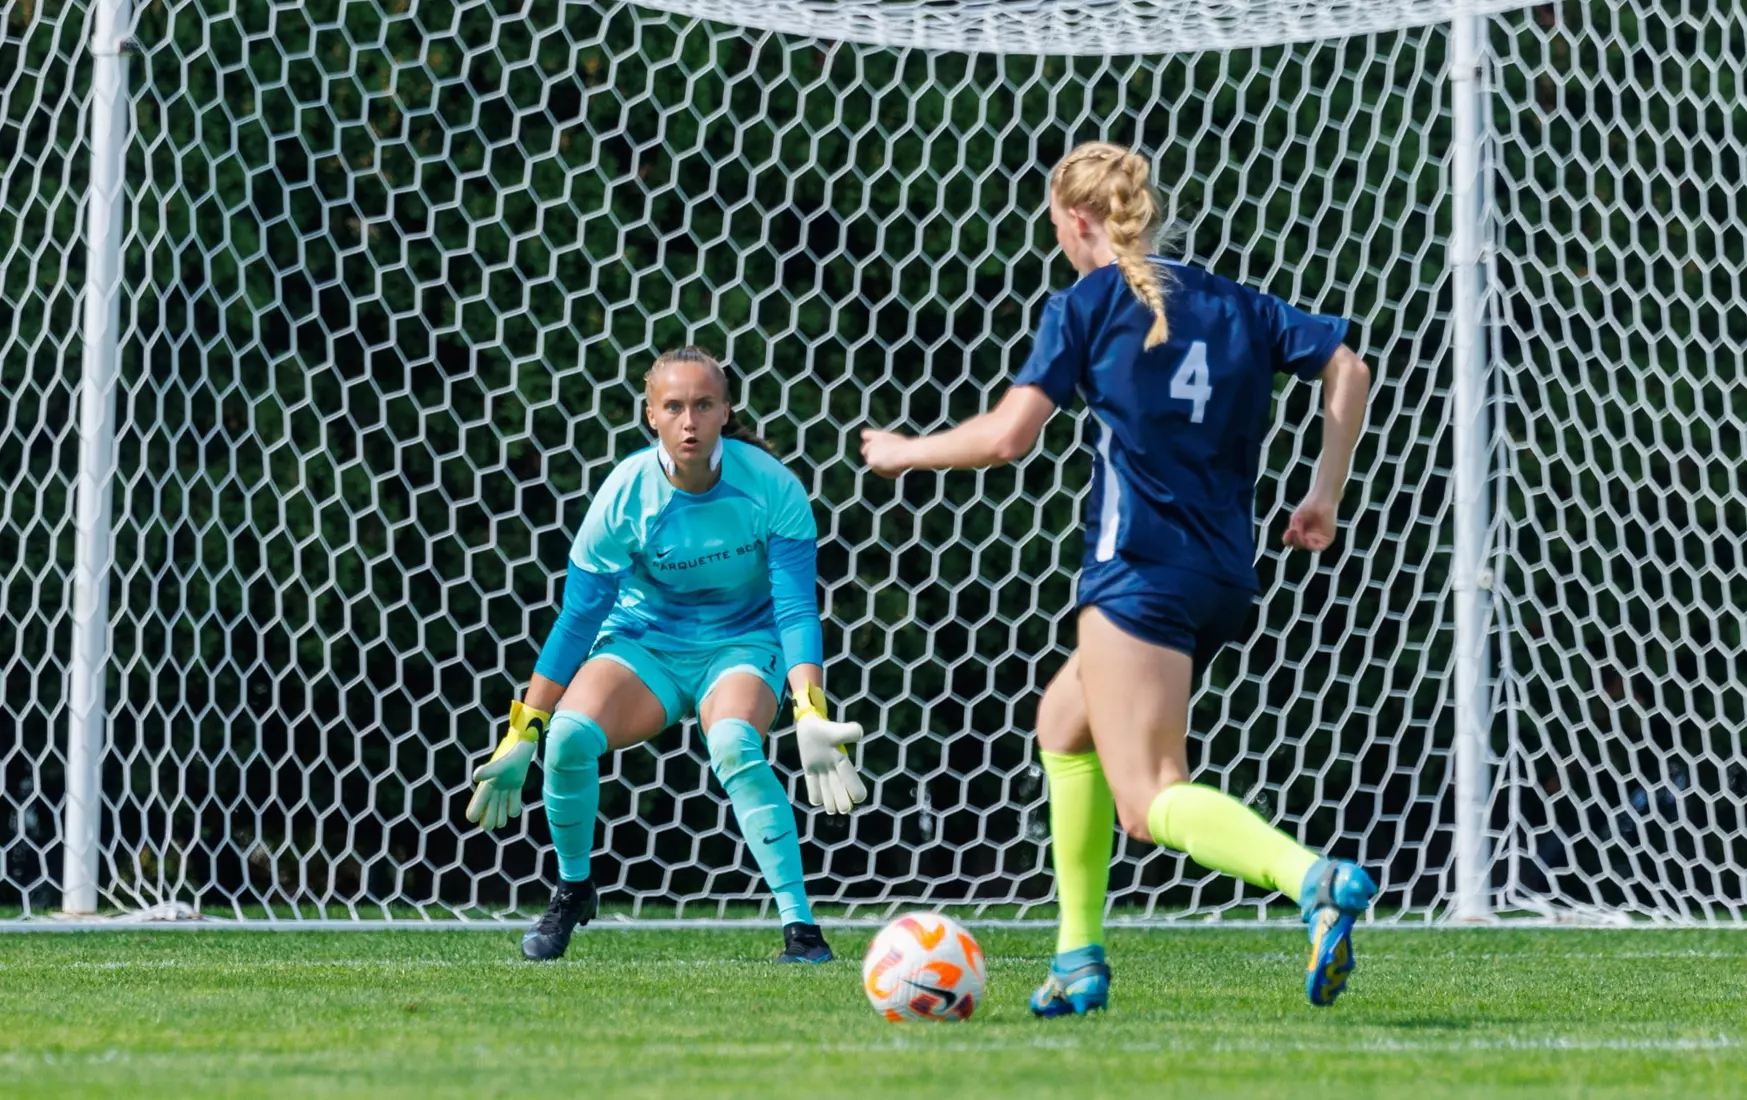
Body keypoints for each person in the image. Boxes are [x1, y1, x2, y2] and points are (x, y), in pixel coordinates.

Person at [860, 142, 1376, 1012]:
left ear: (1077, 221)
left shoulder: (1089, 301)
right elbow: (1348, 366)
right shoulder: (1234, 302)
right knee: (1062, 723)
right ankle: (1077, 958)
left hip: (1136, 572)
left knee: (1146, 796)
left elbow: (1005, 436)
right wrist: (1321, 495)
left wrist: (904, 452)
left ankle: (1312, 881)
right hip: (1219, 577)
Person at [468, 346, 869, 963]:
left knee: (735, 742)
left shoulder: (772, 488)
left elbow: (793, 610)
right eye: (675, 406)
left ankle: (801, 929)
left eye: (704, 405)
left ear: (725, 411)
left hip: (741, 645)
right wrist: (524, 730)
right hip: (644, 644)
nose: (690, 421)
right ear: (650, 414)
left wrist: (809, 712)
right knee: (569, 738)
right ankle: (574, 890)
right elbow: (578, 620)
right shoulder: (625, 494)